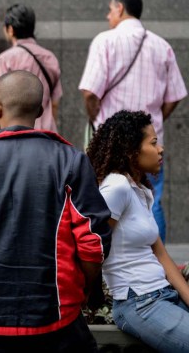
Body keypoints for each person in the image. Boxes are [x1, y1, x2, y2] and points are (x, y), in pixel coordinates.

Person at [0, 71, 112, 352]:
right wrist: (81, 286)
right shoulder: (71, 162)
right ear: (40, 110)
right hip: (57, 318)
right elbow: (94, 244)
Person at [79, 0, 187, 242]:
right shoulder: (163, 46)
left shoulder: (105, 41)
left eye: (109, 9)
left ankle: (108, 266)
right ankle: (158, 264)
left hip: (112, 146)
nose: (108, 16)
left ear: (119, 8)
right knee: (152, 201)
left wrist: (97, 121)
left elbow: (89, 92)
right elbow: (176, 95)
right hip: (151, 142)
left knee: (106, 201)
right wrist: (155, 121)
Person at [87, 110, 189, 351]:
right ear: (132, 151)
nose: (161, 149)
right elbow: (94, 246)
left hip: (163, 295)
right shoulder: (117, 187)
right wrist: (88, 298)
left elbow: (161, 254)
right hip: (138, 303)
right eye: (153, 143)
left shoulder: (140, 190)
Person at [0, 3, 62, 132]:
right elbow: (55, 104)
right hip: (46, 136)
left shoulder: (5, 59)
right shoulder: (50, 57)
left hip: (16, 137)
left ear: (10, 29)